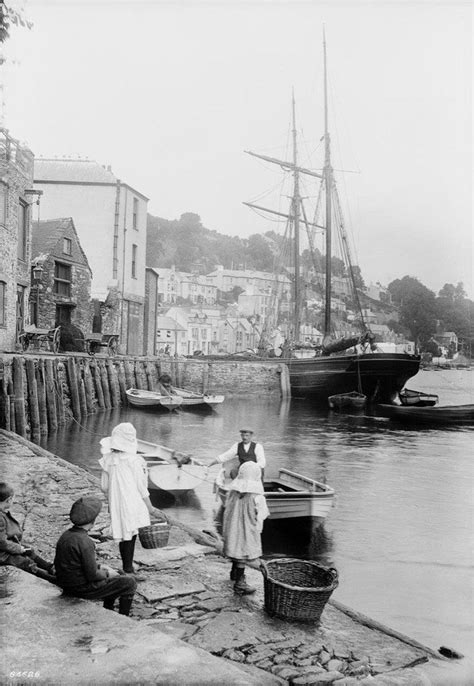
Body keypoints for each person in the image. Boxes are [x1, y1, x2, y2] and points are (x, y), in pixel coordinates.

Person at [99, 422, 165, 576]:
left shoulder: (108, 459)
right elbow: (142, 487)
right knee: (131, 532)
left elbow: (104, 486)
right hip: (132, 501)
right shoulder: (135, 460)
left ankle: (127, 565)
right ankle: (128, 568)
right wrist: (151, 508)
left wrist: (112, 497)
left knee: (124, 532)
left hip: (116, 501)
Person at [54, 496, 137, 616]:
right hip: (80, 588)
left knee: (116, 573)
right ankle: (123, 617)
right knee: (129, 583)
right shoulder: (85, 541)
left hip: (67, 582)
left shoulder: (66, 535)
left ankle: (108, 610)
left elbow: (76, 563)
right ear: (93, 521)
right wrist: (107, 573)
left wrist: (102, 567)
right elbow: (92, 575)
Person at [222, 462, 269, 595]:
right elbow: (262, 515)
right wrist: (258, 528)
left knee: (235, 547)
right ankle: (240, 583)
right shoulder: (258, 497)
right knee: (243, 551)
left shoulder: (232, 493)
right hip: (247, 529)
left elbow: (227, 509)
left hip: (233, 528)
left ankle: (234, 573)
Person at [0, 482, 56, 583]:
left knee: (29, 551)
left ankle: (49, 567)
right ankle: (52, 580)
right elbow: (2, 543)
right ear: (8, 500)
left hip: (6, 547)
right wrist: (18, 549)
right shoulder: (0, 518)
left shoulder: (2, 513)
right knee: (25, 562)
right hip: (2, 555)